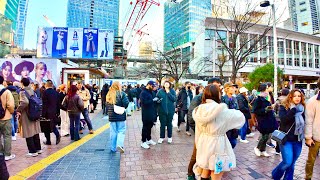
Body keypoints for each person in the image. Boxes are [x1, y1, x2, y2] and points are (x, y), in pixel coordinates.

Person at [192, 85, 245, 180]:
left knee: (205, 170)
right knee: (217, 171)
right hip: (217, 144)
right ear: (218, 94)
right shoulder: (221, 110)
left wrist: (197, 145)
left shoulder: (199, 109)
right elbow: (240, 118)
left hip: (203, 142)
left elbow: (197, 130)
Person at [187, 78, 222, 180]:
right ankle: (190, 174)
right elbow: (191, 116)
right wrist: (199, 130)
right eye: (216, 85)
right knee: (196, 154)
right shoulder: (199, 98)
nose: (218, 87)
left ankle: (207, 173)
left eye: (219, 85)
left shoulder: (219, 98)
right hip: (202, 133)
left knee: (211, 156)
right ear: (209, 85)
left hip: (214, 134)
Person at [272, 89, 306, 180]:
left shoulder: (303, 109)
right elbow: (283, 120)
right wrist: (293, 110)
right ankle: (275, 174)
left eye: (299, 96)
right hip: (286, 139)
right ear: (290, 96)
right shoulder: (284, 107)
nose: (297, 98)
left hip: (298, 140)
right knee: (287, 162)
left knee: (292, 162)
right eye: (295, 96)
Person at [16, 78, 42, 157]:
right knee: (35, 132)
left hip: (27, 114)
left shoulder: (22, 92)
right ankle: (38, 148)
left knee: (28, 132)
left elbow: (25, 102)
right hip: (34, 113)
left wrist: (18, 109)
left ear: (22, 83)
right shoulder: (32, 90)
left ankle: (32, 151)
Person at [253, 83, 277, 157]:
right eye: (266, 88)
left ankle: (263, 150)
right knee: (264, 135)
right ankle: (257, 148)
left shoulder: (268, 97)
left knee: (267, 136)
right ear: (263, 89)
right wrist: (266, 109)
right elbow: (256, 110)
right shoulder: (258, 99)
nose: (268, 89)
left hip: (269, 119)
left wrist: (271, 108)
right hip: (263, 120)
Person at [106, 81, 129, 153]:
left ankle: (113, 148)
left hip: (112, 116)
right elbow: (126, 103)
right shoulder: (122, 94)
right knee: (121, 130)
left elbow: (106, 105)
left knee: (113, 132)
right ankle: (119, 144)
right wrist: (123, 107)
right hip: (120, 115)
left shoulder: (109, 94)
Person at [304, 78, 320, 180]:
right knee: (311, 161)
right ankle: (308, 178)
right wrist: (308, 137)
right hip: (316, 136)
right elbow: (308, 121)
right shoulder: (313, 101)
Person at [140, 81, 158, 149]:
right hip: (146, 113)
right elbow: (144, 102)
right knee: (145, 127)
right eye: (153, 86)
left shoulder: (151, 92)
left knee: (150, 126)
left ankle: (149, 139)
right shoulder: (143, 93)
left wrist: (156, 101)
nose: (154, 87)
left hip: (151, 112)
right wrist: (152, 100)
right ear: (149, 85)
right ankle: (143, 141)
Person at [0, 76, 15, 161]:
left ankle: (0, 153)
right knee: (7, 136)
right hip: (5, 117)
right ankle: (7, 154)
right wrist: (10, 112)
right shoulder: (6, 91)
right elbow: (11, 105)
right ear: (3, 82)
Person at [42, 80, 61, 145]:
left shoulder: (45, 92)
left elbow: (44, 104)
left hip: (47, 112)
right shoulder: (56, 93)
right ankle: (57, 134)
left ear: (46, 85)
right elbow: (58, 104)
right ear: (52, 85)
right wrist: (58, 112)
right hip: (54, 112)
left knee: (46, 127)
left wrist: (43, 114)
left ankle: (48, 140)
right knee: (52, 125)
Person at [221, 82, 239, 148]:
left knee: (233, 142)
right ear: (227, 89)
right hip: (226, 124)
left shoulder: (234, 98)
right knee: (227, 141)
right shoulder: (223, 98)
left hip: (234, 123)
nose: (234, 89)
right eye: (232, 87)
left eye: (234, 87)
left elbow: (237, 109)